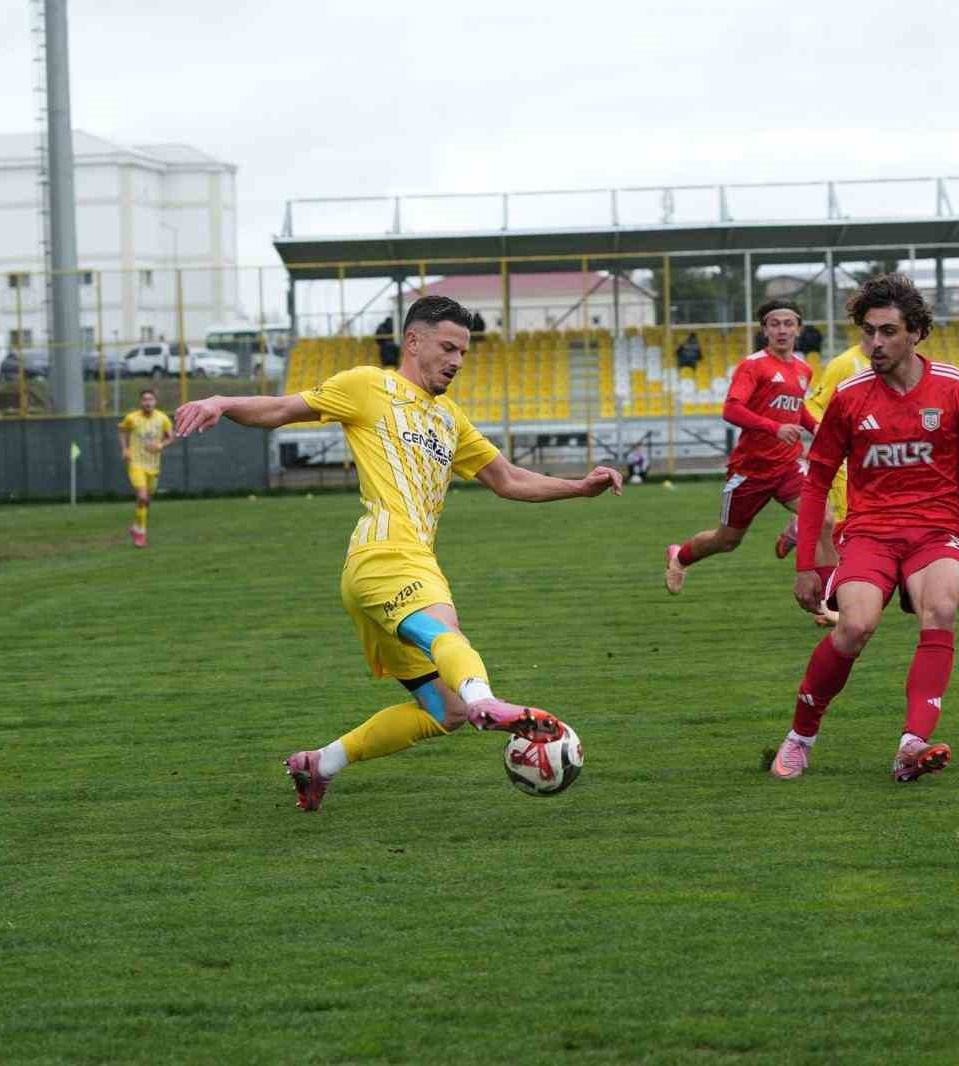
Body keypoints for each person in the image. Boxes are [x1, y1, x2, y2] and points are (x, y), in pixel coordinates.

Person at [172, 295, 623, 812]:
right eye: (448, 347)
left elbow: (508, 478)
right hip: (387, 552)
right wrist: (222, 403)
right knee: (446, 637)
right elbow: (282, 409)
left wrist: (578, 487)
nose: (456, 361)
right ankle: (487, 702)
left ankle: (320, 764)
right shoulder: (368, 385)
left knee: (443, 712)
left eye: (464, 353)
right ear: (414, 341)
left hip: (387, 571)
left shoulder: (449, 419)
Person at [769, 273, 959, 783]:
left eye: (888, 331)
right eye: (869, 331)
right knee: (854, 627)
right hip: (870, 531)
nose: (876, 343)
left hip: (938, 531)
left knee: (940, 608)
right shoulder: (850, 398)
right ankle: (800, 737)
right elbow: (816, 483)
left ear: (915, 332)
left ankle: (911, 745)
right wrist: (807, 565)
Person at [664, 300, 817, 595]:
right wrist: (775, 428)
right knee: (727, 541)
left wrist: (815, 427)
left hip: (788, 466)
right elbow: (731, 410)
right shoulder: (753, 366)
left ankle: (823, 599)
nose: (782, 330)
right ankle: (679, 557)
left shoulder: (803, 369)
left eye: (788, 323)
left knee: (822, 520)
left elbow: (797, 408)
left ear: (798, 328)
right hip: (751, 471)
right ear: (765, 330)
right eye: (775, 324)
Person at [773, 338, 872, 622]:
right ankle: (831, 604)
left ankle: (799, 525)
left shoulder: (892, 367)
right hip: (841, 458)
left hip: (867, 461)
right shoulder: (845, 364)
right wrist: (828, 436)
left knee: (850, 526)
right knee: (837, 527)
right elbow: (815, 406)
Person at [117, 389, 175, 548]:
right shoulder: (132, 418)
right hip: (136, 463)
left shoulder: (162, 418)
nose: (147, 402)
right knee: (142, 497)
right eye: (144, 399)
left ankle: (136, 527)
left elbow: (171, 436)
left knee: (146, 501)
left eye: (150, 399)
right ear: (140, 402)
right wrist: (125, 449)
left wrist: (160, 445)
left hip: (153, 465)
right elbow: (122, 431)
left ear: (155, 402)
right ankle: (141, 535)